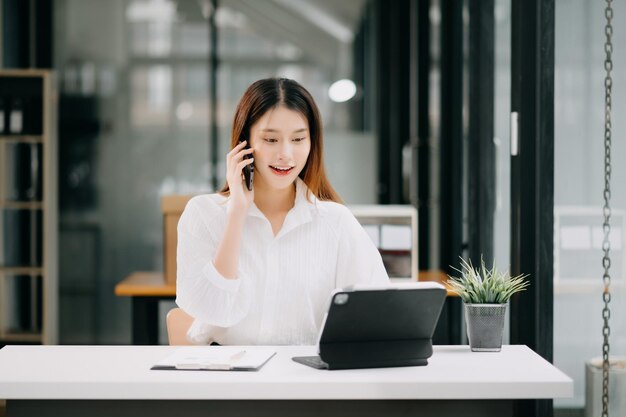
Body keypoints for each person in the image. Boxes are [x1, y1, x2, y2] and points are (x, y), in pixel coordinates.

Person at [176, 78, 389, 345]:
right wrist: (237, 213)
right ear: (244, 143)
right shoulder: (204, 214)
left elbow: (376, 313)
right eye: (271, 139)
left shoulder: (335, 222)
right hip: (228, 380)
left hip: (307, 381)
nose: (286, 154)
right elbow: (212, 309)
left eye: (298, 138)